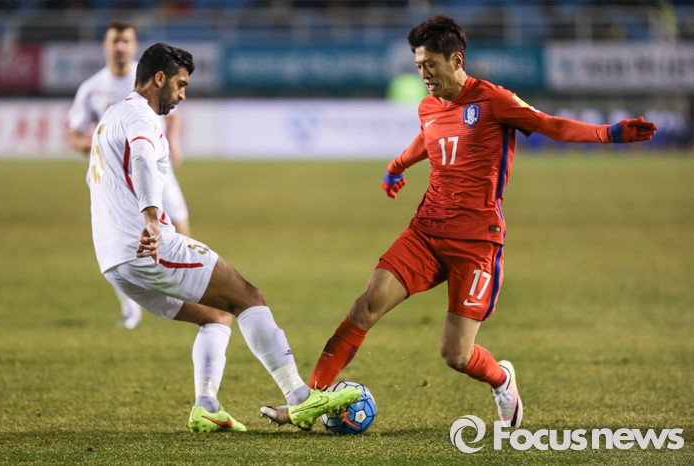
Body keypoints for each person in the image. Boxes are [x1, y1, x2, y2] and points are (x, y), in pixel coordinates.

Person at [260, 15, 657, 429]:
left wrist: (610, 133)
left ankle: (501, 379)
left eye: (430, 64)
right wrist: (396, 167)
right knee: (364, 307)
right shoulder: (428, 107)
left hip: (476, 242)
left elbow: (550, 124)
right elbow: (428, 139)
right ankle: (307, 402)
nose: (424, 74)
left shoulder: (494, 100)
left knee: (456, 354)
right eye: (418, 65)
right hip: (426, 232)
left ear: (456, 60)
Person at [86, 42, 361, 433]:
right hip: (146, 245)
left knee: (215, 316)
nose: (183, 95)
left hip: (113, 260)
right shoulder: (140, 116)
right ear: (159, 78)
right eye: (181, 84)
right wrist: (150, 219)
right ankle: (300, 397)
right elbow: (143, 158)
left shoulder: (112, 116)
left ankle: (207, 405)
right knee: (247, 297)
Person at [68, 20, 192, 329]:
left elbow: (173, 116)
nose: (121, 47)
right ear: (106, 46)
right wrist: (89, 145)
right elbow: (74, 131)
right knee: (120, 235)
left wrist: (175, 143)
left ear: (134, 45)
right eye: (115, 41)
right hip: (117, 173)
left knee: (180, 221)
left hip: (154, 162)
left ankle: (185, 284)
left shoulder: (150, 76)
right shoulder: (92, 88)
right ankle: (131, 303)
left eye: (126, 41)